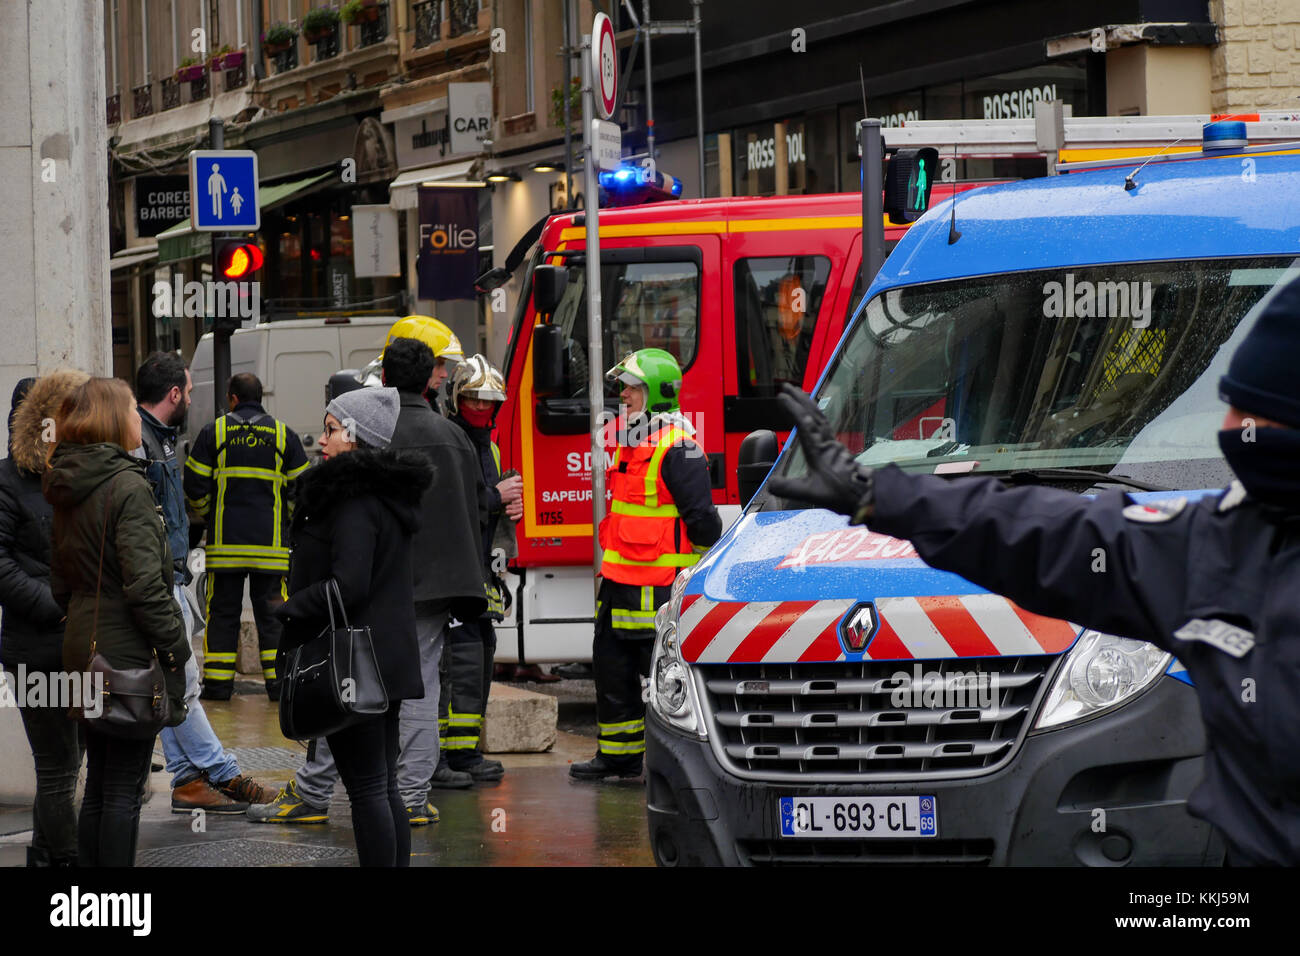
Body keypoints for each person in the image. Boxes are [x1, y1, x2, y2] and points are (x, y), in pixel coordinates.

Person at [767, 274, 1300, 867]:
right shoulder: (1226, 541)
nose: (1232, 433)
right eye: (1230, 407)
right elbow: (1054, 534)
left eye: (1256, 414)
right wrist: (878, 497)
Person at [252, 338, 487, 821]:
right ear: (430, 379)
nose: (325, 440)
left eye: (331, 431)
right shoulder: (452, 435)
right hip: (435, 586)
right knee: (416, 691)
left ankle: (315, 793)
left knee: (339, 675)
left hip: (375, 588)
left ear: (384, 378)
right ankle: (412, 797)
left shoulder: (375, 433)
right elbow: (477, 506)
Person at [274, 386, 432, 866]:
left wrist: (290, 607)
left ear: (356, 436)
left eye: (332, 430)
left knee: (367, 788)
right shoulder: (383, 493)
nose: (322, 441)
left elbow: (349, 586)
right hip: (380, 658)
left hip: (354, 663)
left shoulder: (353, 499)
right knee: (381, 784)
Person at [43, 377, 190, 867]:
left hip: (82, 648)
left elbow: (60, 583)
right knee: (124, 789)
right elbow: (146, 588)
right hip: (126, 655)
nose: (137, 418)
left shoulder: (67, 483)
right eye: (131, 409)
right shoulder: (126, 485)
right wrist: (177, 647)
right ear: (112, 419)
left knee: (101, 784)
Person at [571, 349, 721, 780]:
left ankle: (671, 766)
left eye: (633, 389)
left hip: (657, 591)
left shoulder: (681, 449)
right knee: (612, 670)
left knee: (660, 678)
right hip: (619, 585)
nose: (625, 396)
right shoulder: (633, 443)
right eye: (623, 389)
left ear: (656, 393)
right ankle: (617, 758)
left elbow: (703, 524)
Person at [135, 353, 275, 812]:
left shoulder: (162, 440)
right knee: (184, 681)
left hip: (173, 575)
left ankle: (187, 780)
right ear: (174, 394)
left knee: (176, 685)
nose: (193, 399)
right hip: (161, 582)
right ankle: (223, 773)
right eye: (190, 392)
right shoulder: (143, 444)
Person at [0, 370, 88, 866]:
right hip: (35, 647)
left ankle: (42, 855)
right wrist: (57, 607)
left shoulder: (69, 474)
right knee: (57, 767)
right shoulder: (6, 480)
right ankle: (68, 866)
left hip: (76, 645)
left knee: (68, 762)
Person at [183, 373, 309, 701]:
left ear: (232, 398)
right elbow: (304, 488)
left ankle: (219, 686)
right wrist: (286, 519)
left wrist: (211, 514)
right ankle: (278, 686)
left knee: (222, 614)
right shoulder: (284, 435)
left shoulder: (215, 432)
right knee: (272, 615)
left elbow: (193, 484)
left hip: (226, 548)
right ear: (261, 396)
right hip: (271, 549)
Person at [433, 355, 524, 785]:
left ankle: (465, 752)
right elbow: (451, 507)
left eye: (490, 401)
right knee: (460, 660)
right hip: (454, 573)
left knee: (481, 655)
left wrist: (509, 512)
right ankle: (444, 757)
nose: (483, 409)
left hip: (482, 571)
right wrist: (495, 495)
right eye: (474, 400)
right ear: (456, 399)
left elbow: (487, 507)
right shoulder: (450, 440)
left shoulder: (489, 446)